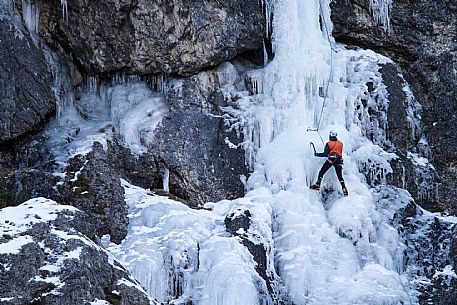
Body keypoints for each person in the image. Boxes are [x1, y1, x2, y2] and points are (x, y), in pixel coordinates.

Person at [310, 130, 348, 196]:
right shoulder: (341, 143)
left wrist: (317, 154)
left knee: (322, 171)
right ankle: (344, 189)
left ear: (330, 136)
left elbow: (325, 154)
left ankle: (317, 184)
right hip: (339, 160)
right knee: (340, 176)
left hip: (331, 159)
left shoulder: (329, 143)